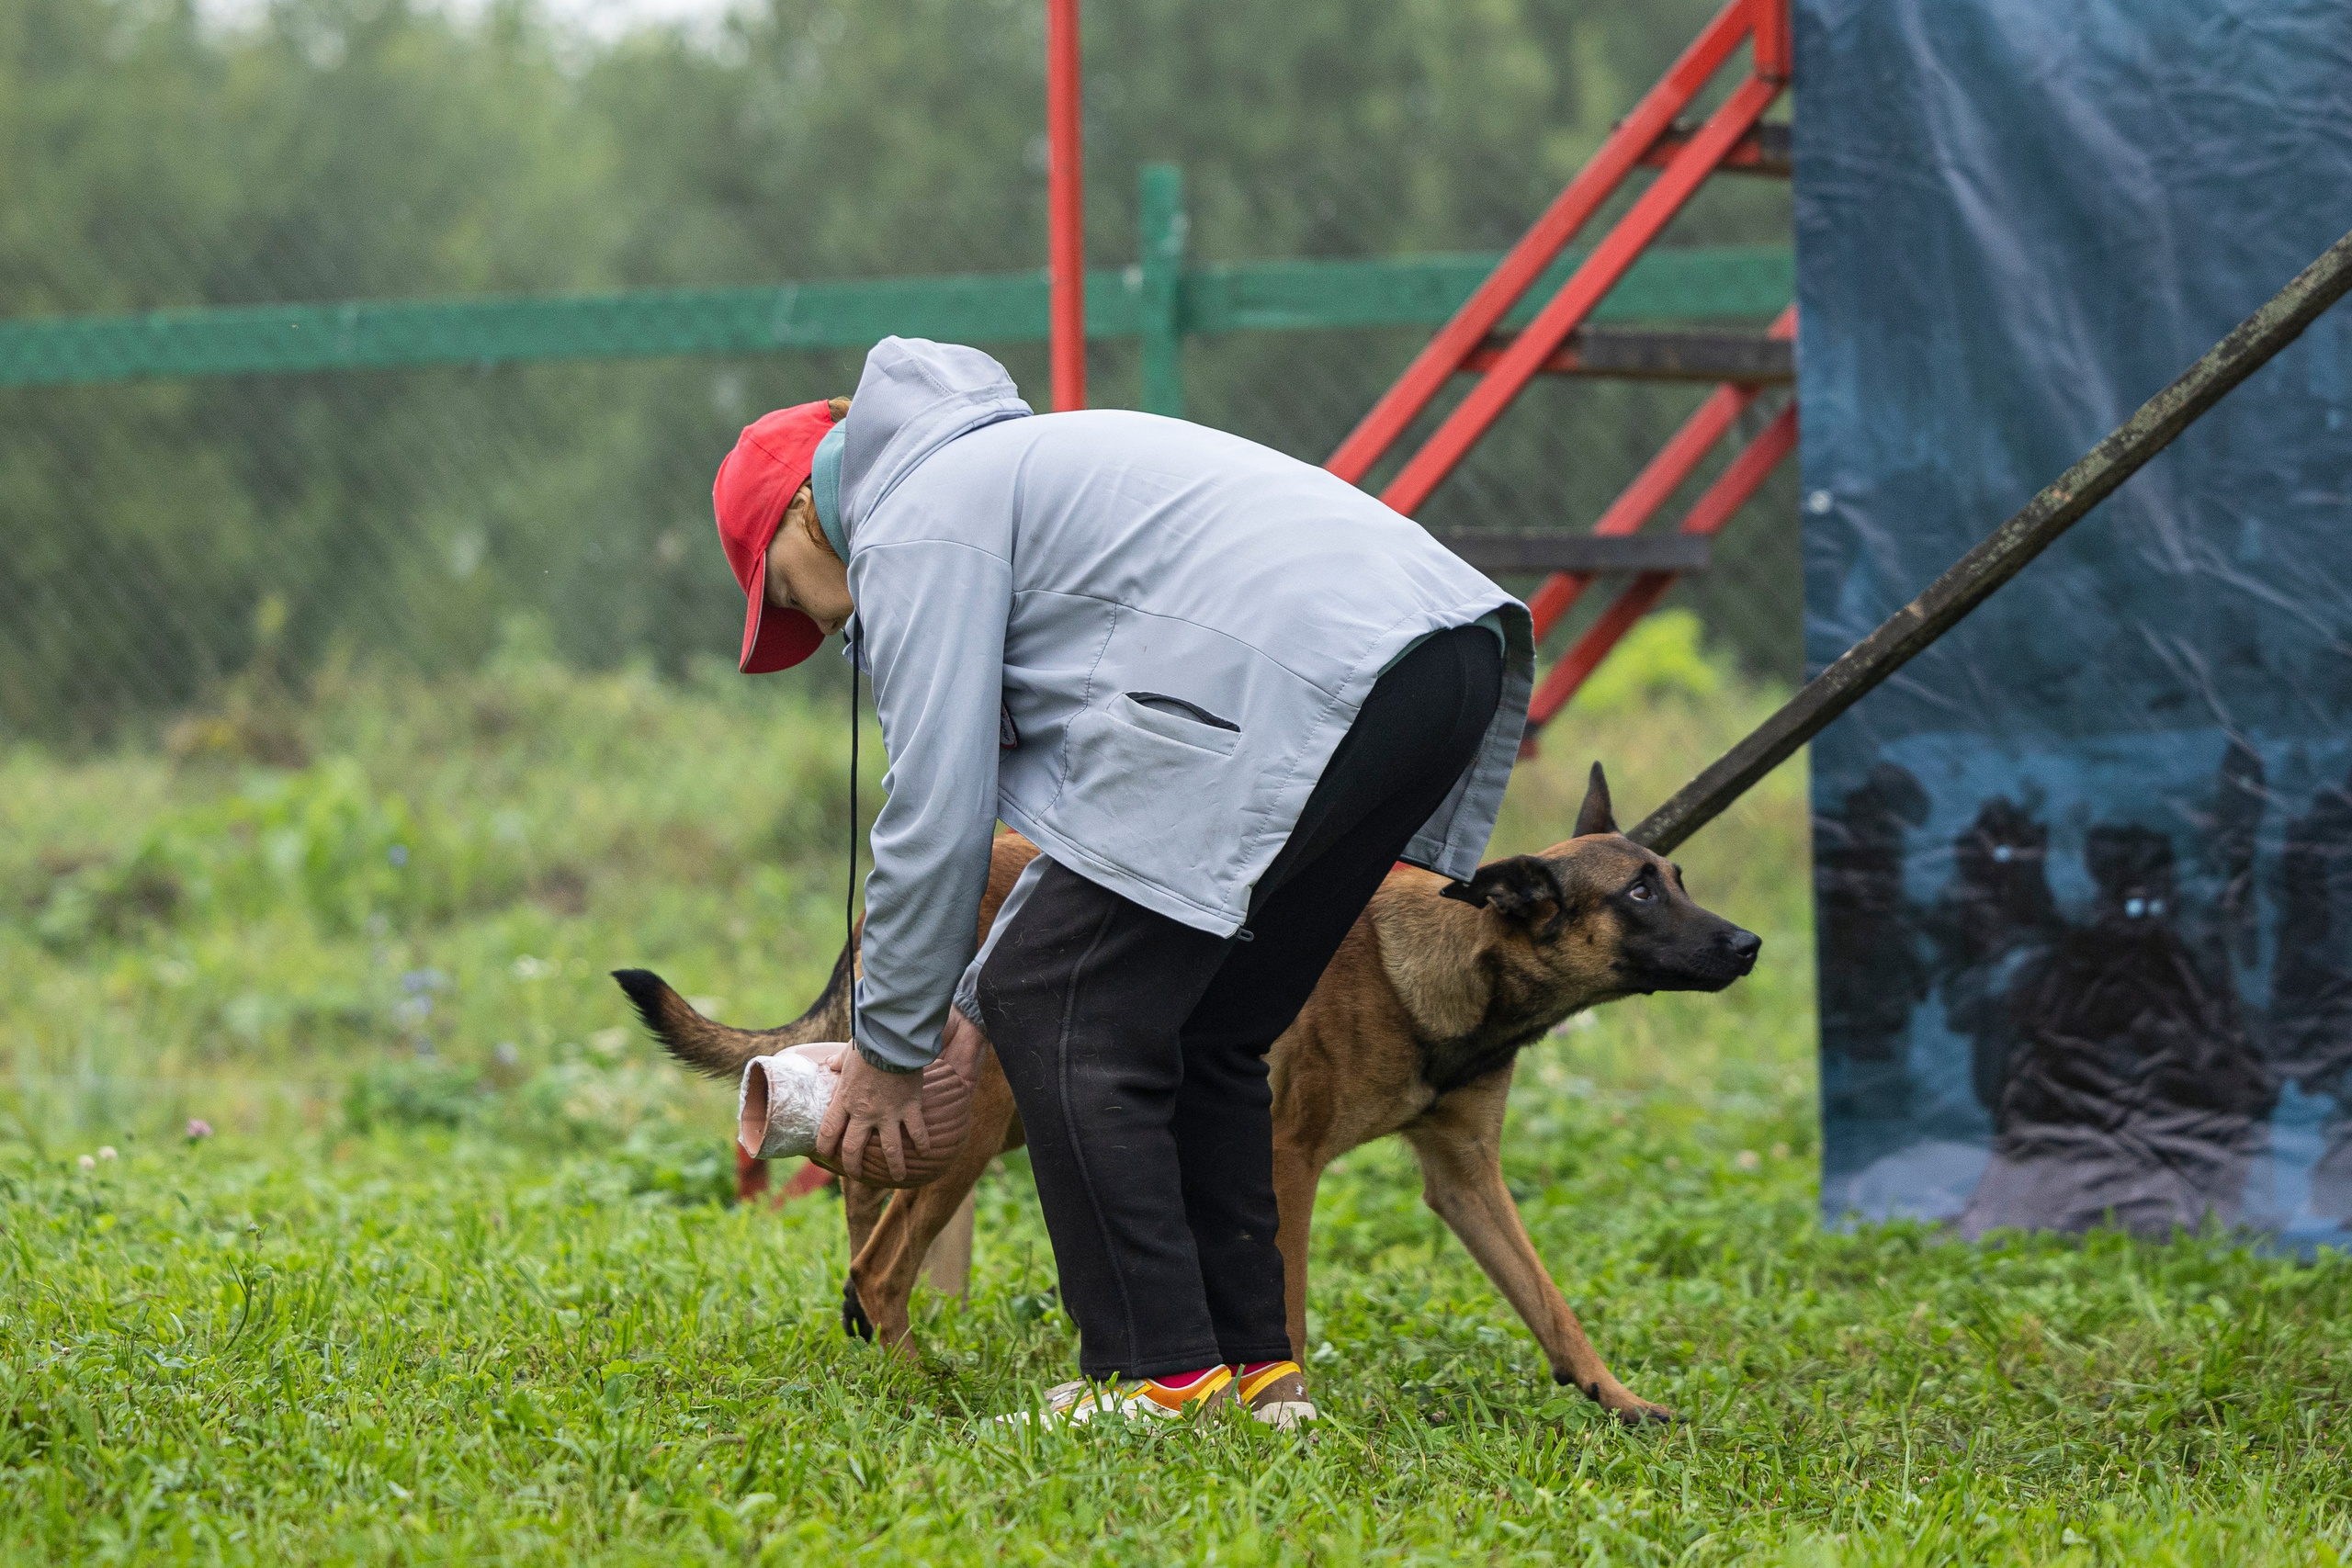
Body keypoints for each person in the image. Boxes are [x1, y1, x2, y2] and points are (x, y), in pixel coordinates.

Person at [709, 337, 1532, 1425]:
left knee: (1059, 1007)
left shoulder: (913, 514)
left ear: (807, 520)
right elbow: (1083, 852)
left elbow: (937, 808)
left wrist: (896, 1052)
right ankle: (1256, 1376)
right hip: (1438, 660)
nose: (821, 632)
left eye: (794, 603)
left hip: (1292, 672)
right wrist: (955, 1012)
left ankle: (1152, 1379)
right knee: (1211, 1024)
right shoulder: (1016, 472)